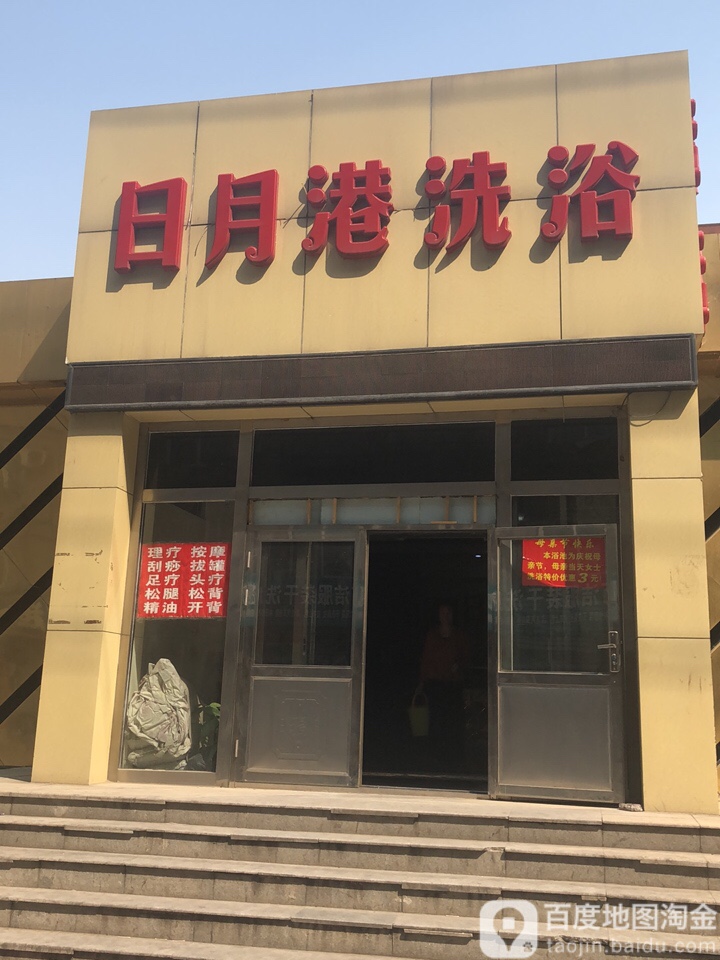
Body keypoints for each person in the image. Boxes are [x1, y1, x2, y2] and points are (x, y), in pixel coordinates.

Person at [418, 602, 470, 774]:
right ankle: (436, 756)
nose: (445, 616)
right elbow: (426, 659)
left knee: (453, 721)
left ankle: (454, 757)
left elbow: (465, 657)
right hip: (435, 683)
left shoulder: (459, 635)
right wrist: (422, 682)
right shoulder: (432, 635)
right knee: (436, 720)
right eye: (442, 613)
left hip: (453, 684)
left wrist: (459, 666)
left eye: (448, 613)